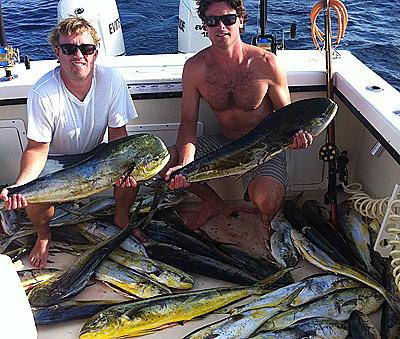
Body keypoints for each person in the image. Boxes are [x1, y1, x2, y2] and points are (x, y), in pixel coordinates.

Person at [165, 0, 313, 241]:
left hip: (264, 148)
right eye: (212, 21)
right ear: (205, 26)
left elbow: (288, 118)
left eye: (228, 19)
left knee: (266, 199)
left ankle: (268, 222)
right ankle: (212, 202)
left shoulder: (266, 63)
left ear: (241, 21)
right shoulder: (195, 68)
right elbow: (188, 121)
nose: (220, 26)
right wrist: (186, 163)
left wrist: (298, 137)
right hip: (225, 144)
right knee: (162, 164)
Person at [0, 17, 140, 268]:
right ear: (58, 53)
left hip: (96, 154)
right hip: (55, 161)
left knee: (133, 173)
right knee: (35, 197)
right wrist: (22, 185)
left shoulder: (112, 81)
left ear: (95, 53)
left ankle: (121, 218)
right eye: (69, 49)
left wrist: (125, 167)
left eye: (86, 48)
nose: (79, 55)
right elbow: (37, 148)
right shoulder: (43, 92)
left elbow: (118, 136)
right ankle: (44, 235)